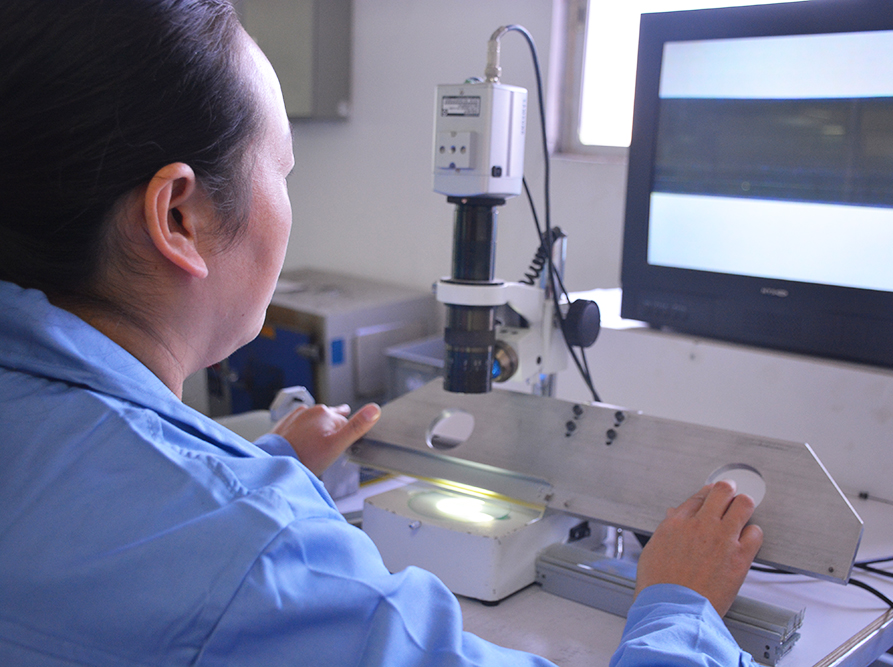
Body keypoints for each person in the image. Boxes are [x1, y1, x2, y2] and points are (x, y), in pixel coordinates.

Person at [0, 1, 763, 665]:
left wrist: (255, 470)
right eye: (284, 169)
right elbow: (225, 569)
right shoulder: (259, 552)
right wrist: (683, 603)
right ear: (180, 217)